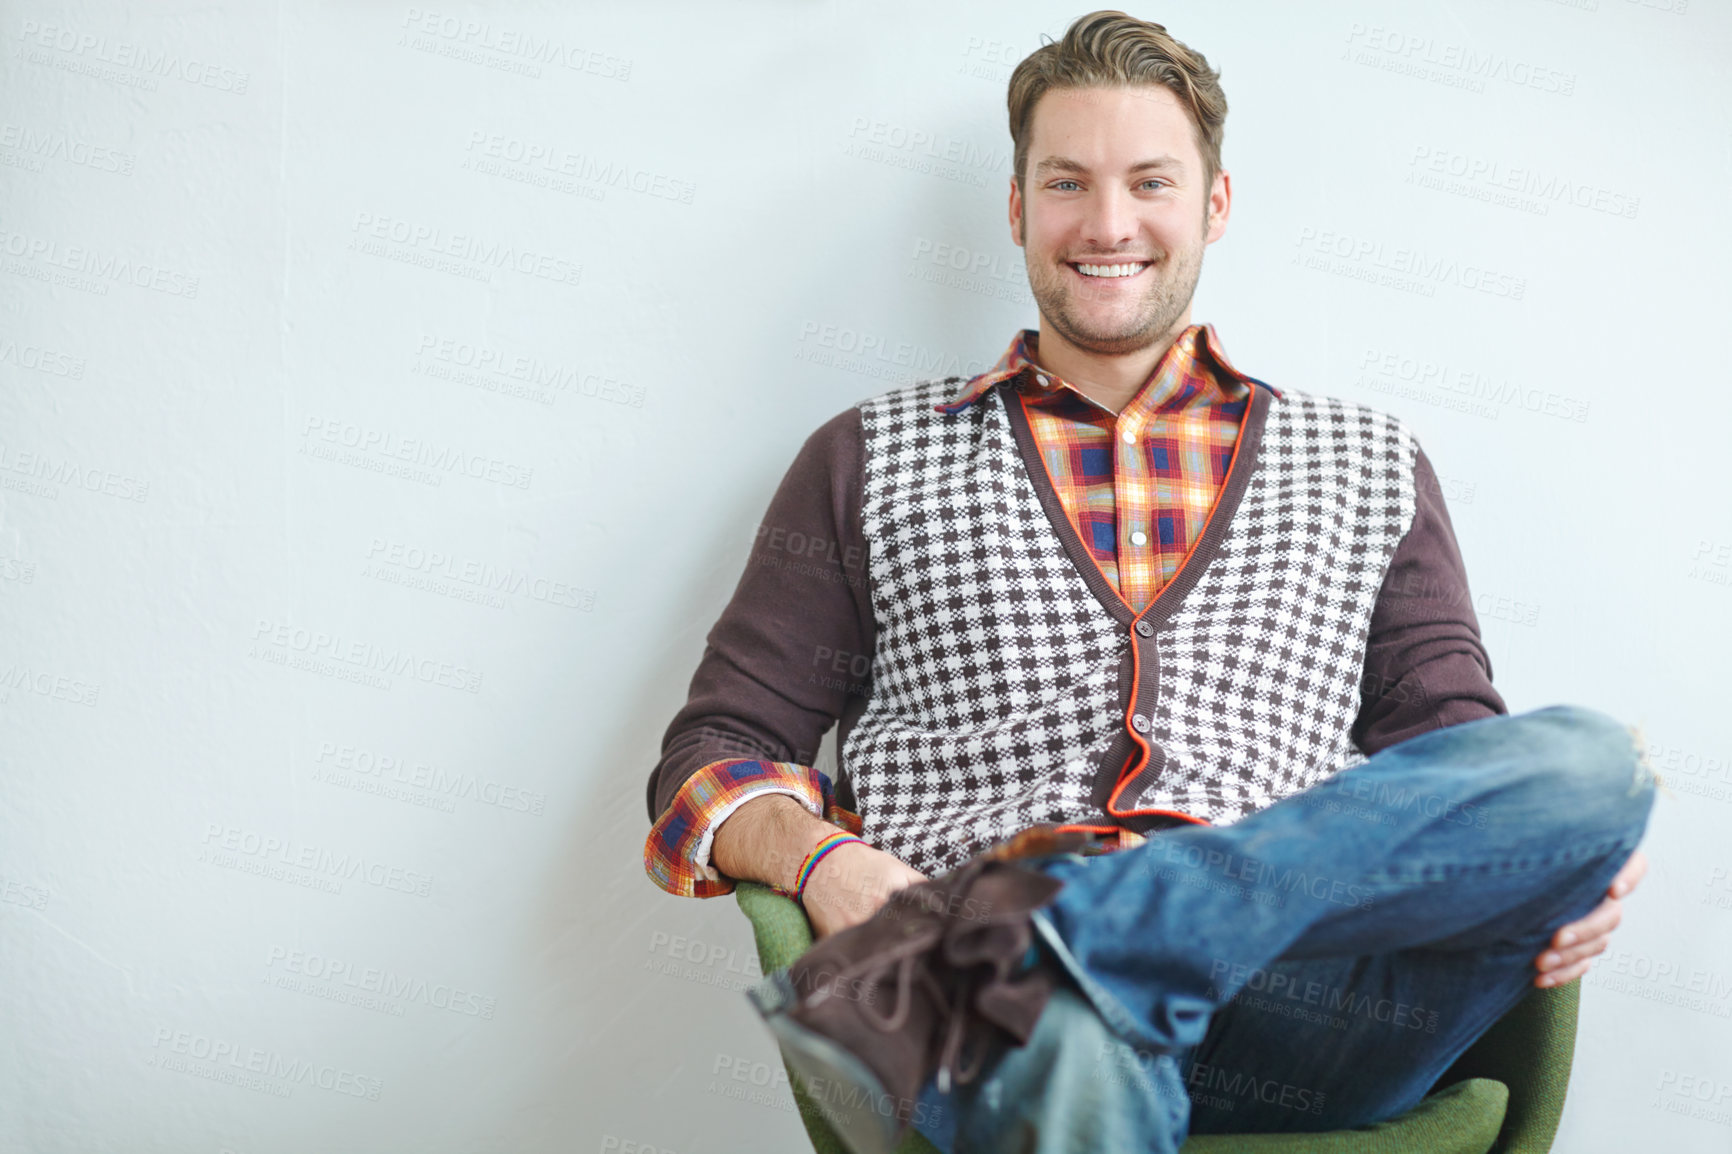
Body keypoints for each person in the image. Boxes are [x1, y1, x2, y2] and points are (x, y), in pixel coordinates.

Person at [642, 11, 1655, 1152]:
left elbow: (1453, 750)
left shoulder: (1370, 460)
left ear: (1214, 203)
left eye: (1150, 182)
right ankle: (1074, 963)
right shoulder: (865, 456)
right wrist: (820, 856)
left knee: (1590, 770)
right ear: (1018, 207)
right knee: (1070, 1032)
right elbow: (713, 754)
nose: (1108, 223)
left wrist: (1539, 861)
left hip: (1308, 998)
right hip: (985, 1009)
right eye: (1067, 182)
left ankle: (1087, 934)